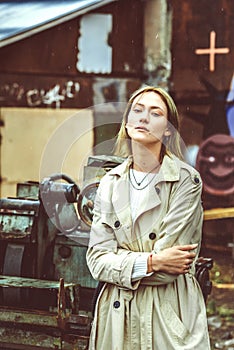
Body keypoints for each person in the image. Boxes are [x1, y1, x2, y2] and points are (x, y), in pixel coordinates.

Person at [86, 86, 210, 350]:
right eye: (138, 110)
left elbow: (172, 270)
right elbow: (96, 261)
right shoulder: (109, 183)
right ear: (127, 120)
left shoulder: (185, 181)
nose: (143, 118)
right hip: (117, 316)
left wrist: (120, 262)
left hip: (168, 314)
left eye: (155, 113)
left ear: (168, 129)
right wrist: (154, 260)